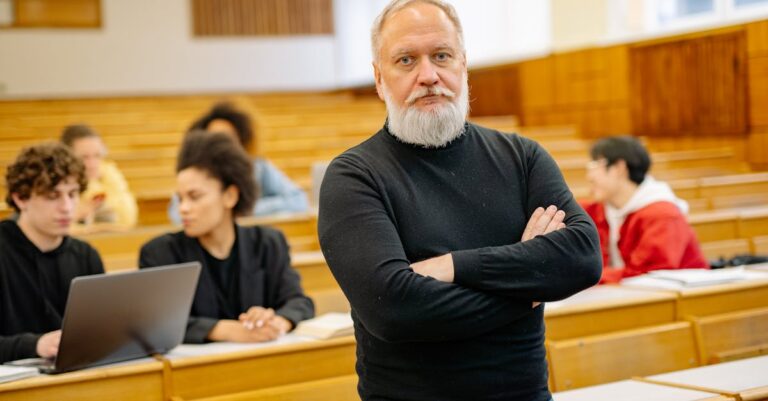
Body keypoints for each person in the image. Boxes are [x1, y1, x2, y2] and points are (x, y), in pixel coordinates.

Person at [317, 1, 602, 400]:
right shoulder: (354, 177)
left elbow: (582, 258)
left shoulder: (522, 157)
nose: (428, 76)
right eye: (405, 60)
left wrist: (453, 266)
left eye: (441, 56)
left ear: (463, 66)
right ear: (380, 79)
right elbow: (394, 309)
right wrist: (529, 287)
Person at [140, 131, 314, 344]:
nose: (183, 209)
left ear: (230, 196)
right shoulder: (160, 253)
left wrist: (275, 321)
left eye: (194, 197)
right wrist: (224, 330)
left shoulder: (268, 243)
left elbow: (299, 302)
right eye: (180, 199)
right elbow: (155, 322)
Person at [0, 143, 105, 363]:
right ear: (21, 198)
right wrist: (35, 345)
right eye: (52, 196)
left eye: (73, 194)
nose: (67, 207)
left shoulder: (86, 255)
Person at [581, 136, 709, 283]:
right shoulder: (599, 209)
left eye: (595, 165)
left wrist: (581, 279)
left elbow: (648, 273)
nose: (589, 176)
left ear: (619, 168)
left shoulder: (663, 214)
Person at [167, 102, 308, 224]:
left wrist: (242, 210)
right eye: (214, 138)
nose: (221, 145)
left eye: (228, 138)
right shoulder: (194, 173)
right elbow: (176, 214)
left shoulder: (259, 168)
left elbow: (298, 200)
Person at [60, 124, 138, 228]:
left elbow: (129, 219)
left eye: (97, 156)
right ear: (67, 158)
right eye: (84, 157)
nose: (92, 164)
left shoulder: (110, 175)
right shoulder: (57, 186)